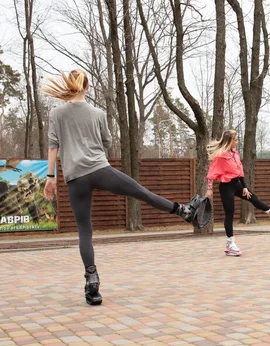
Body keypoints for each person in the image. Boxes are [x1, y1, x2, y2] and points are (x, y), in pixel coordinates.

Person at [42, 70, 201, 306]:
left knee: (84, 231)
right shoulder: (98, 113)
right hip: (99, 169)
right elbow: (105, 142)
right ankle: (183, 211)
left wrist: (50, 177)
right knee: (141, 193)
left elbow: (53, 146)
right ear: (87, 87)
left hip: (75, 177)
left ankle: (92, 282)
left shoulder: (56, 113)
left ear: (69, 86)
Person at [205, 130, 270, 256]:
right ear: (229, 141)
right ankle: (230, 244)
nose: (237, 141)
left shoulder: (235, 154)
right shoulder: (220, 156)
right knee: (229, 213)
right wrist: (209, 189)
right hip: (226, 186)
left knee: (253, 198)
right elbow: (211, 173)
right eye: (235, 139)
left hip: (237, 184)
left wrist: (244, 187)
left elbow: (240, 172)